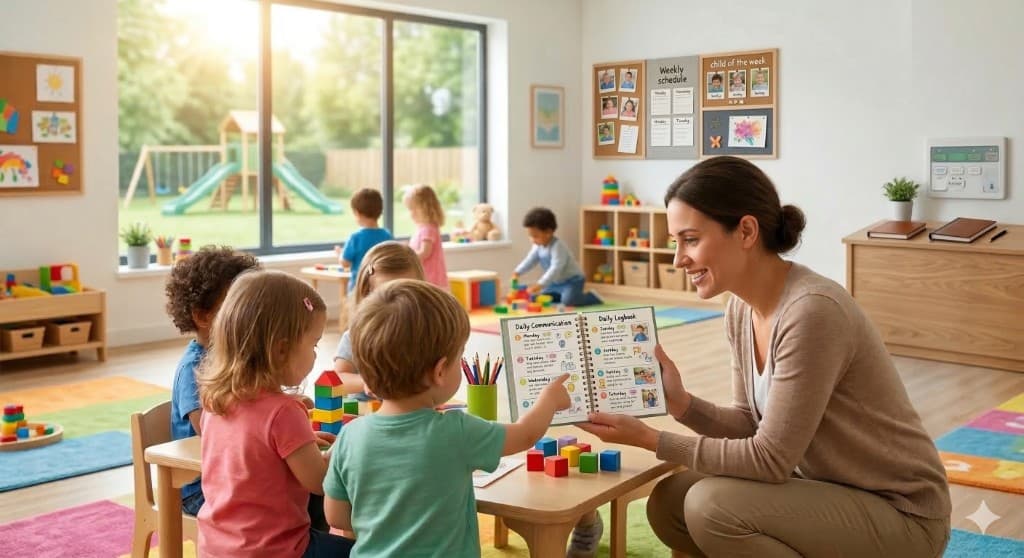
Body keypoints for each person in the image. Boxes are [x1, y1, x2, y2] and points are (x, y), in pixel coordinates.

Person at [577, 156, 951, 557]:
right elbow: (749, 425)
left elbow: (770, 459)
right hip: (822, 488)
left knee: (712, 507)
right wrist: (681, 404)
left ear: (746, 231)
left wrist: (651, 439)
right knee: (670, 502)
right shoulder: (741, 309)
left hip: (901, 515)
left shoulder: (812, 311)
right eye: (676, 243)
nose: (678, 259)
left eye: (690, 239)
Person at [323, 279, 572, 556]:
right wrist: (549, 400)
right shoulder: (456, 431)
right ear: (440, 371)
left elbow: (336, 517)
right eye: (460, 357)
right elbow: (525, 434)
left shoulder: (349, 436)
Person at [196, 270, 355, 557]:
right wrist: (341, 448)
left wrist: (301, 444)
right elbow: (320, 483)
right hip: (277, 550)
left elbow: (254, 460)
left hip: (215, 547)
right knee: (366, 551)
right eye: (314, 343)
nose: (316, 354)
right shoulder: (284, 411)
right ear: (282, 349)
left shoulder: (215, 401)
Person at [165, 246, 260, 517]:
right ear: (203, 316)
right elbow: (214, 431)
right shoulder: (195, 368)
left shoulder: (240, 356)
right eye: (237, 308)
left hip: (235, 473)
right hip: (201, 488)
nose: (249, 317)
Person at [333, 241, 425, 398]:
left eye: (408, 290)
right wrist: (365, 382)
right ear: (367, 293)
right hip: (365, 415)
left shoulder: (424, 332)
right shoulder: (357, 335)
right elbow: (337, 379)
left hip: (412, 413)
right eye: (387, 292)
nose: (399, 301)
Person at [514, 207, 603, 307]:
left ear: (548, 232)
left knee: (569, 301)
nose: (532, 240)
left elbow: (555, 269)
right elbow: (530, 260)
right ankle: (561, 296)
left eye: (535, 236)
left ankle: (591, 297)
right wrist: (517, 272)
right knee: (537, 298)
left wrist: (540, 284)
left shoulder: (558, 247)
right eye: (530, 236)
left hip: (572, 281)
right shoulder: (537, 246)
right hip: (555, 283)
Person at [333, 188, 392, 292]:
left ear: (357, 213)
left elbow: (345, 263)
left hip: (359, 287)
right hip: (382, 287)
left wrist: (340, 254)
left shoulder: (356, 238)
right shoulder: (387, 236)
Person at [404, 184, 449, 290]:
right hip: (426, 278)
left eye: (414, 209)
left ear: (426, 209)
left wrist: (408, 256)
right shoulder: (423, 228)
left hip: (430, 278)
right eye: (410, 209)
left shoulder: (428, 229)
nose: (411, 213)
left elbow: (425, 252)